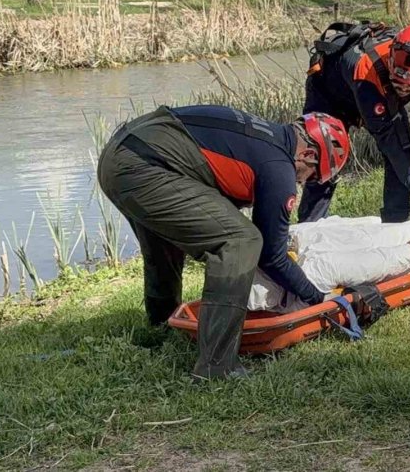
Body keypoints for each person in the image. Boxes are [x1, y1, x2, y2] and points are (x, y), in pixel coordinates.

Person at [96, 105, 356, 379]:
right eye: (310, 176)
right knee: (241, 241)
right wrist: (316, 297)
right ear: (307, 154)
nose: (302, 182)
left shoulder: (264, 136)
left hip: (120, 155)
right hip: (143, 166)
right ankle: (217, 365)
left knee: (167, 242)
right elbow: (271, 254)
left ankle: (161, 326)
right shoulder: (279, 166)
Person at [301, 22, 410, 223]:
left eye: (409, 89)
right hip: (331, 95)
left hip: (382, 93)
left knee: (405, 147)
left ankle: (395, 221)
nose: (403, 91)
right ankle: (309, 226)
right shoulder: (366, 74)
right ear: (390, 61)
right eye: (397, 84)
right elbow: (392, 148)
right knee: (324, 156)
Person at [250, 192, 410, 313]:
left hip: (338, 248)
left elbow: (355, 265)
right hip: (333, 240)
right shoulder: (270, 246)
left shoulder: (292, 278)